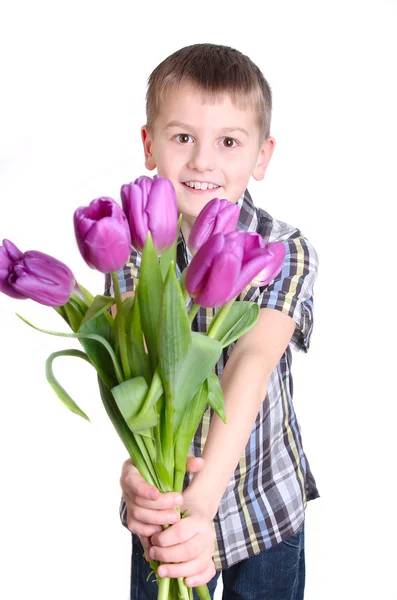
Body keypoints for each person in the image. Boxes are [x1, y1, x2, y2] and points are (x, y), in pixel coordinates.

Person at [105, 43, 319, 600]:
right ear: (150, 146)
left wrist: (203, 503)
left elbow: (251, 361)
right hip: (167, 509)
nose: (203, 161)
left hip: (264, 502)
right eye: (183, 138)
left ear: (262, 156)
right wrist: (138, 469)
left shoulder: (284, 250)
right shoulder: (129, 246)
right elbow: (136, 371)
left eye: (228, 141)